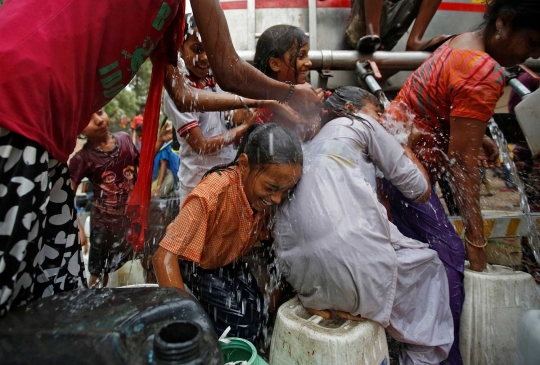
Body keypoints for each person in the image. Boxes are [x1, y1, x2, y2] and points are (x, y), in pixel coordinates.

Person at [0, 0, 321, 315]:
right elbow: (229, 71)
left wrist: (265, 103)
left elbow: (184, 94)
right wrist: (285, 94)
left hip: (52, 127)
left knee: (57, 294)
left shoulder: (173, 16)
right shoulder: (212, 191)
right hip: (17, 98)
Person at [381, 1, 540, 363]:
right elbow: (462, 164)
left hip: (391, 154)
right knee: (450, 258)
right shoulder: (483, 70)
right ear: (504, 22)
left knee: (414, 255)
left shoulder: (463, 41)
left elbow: (436, 103)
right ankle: (446, 357)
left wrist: (472, 134)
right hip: (403, 172)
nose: (531, 56)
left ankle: (408, 338)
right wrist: (477, 237)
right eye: (530, 42)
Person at [274, 87, 453, 365]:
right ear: (350, 108)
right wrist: (403, 142)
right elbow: (420, 189)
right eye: (377, 112)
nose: (381, 119)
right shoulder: (361, 122)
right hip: (356, 274)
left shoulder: (308, 144)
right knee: (429, 268)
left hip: (305, 282)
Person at [153, 123, 303, 342]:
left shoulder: (264, 192)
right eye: (271, 188)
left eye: (286, 191)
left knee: (260, 313)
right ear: (244, 165)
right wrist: (184, 321)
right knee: (240, 327)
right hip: (198, 264)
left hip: (227, 257)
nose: (278, 199)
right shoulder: (211, 194)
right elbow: (163, 257)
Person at [164, 14, 255, 205]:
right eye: (197, 49)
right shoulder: (177, 90)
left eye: (210, 50)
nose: (205, 58)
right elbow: (201, 145)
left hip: (227, 178)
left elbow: (236, 115)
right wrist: (243, 129)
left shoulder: (214, 78)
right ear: (179, 49)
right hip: (197, 186)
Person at [69, 110, 140, 288]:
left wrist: (160, 141)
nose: (99, 121)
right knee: (98, 275)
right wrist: (79, 229)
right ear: (78, 130)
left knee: (144, 259)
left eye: (100, 112)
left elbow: (143, 166)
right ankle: (97, 309)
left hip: (132, 219)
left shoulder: (125, 139)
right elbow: (67, 196)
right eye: (88, 119)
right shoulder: (82, 158)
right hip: (103, 226)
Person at [253, 24, 324, 141]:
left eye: (307, 56)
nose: (309, 63)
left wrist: (313, 112)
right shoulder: (256, 103)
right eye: (301, 56)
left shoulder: (305, 94)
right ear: (275, 64)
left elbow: (311, 138)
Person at [346, 0, 447, 53]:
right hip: (362, 29)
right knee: (372, 38)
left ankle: (414, 42)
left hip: (390, 28)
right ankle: (372, 35)